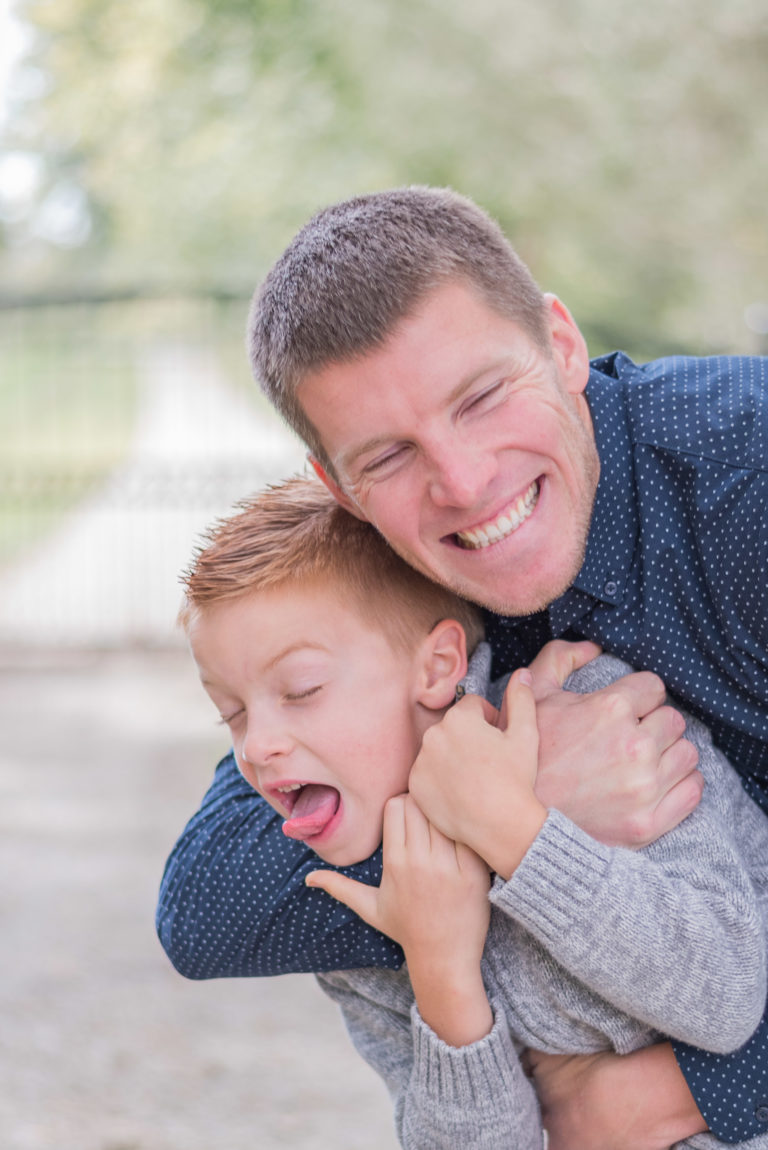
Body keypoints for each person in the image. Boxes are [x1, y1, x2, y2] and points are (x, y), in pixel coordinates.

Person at [157, 186, 768, 1147]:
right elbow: (209, 910)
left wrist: (690, 1093)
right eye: (389, 456)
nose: (464, 481)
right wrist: (511, 804)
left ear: (560, 344)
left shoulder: (749, 491)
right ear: (340, 489)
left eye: (481, 398)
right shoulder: (387, 586)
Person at [176, 475, 768, 1150]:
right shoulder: (354, 920)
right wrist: (440, 969)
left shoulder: (606, 730)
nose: (258, 745)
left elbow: (725, 996)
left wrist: (519, 837)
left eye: (301, 690)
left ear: (436, 668)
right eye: (233, 714)